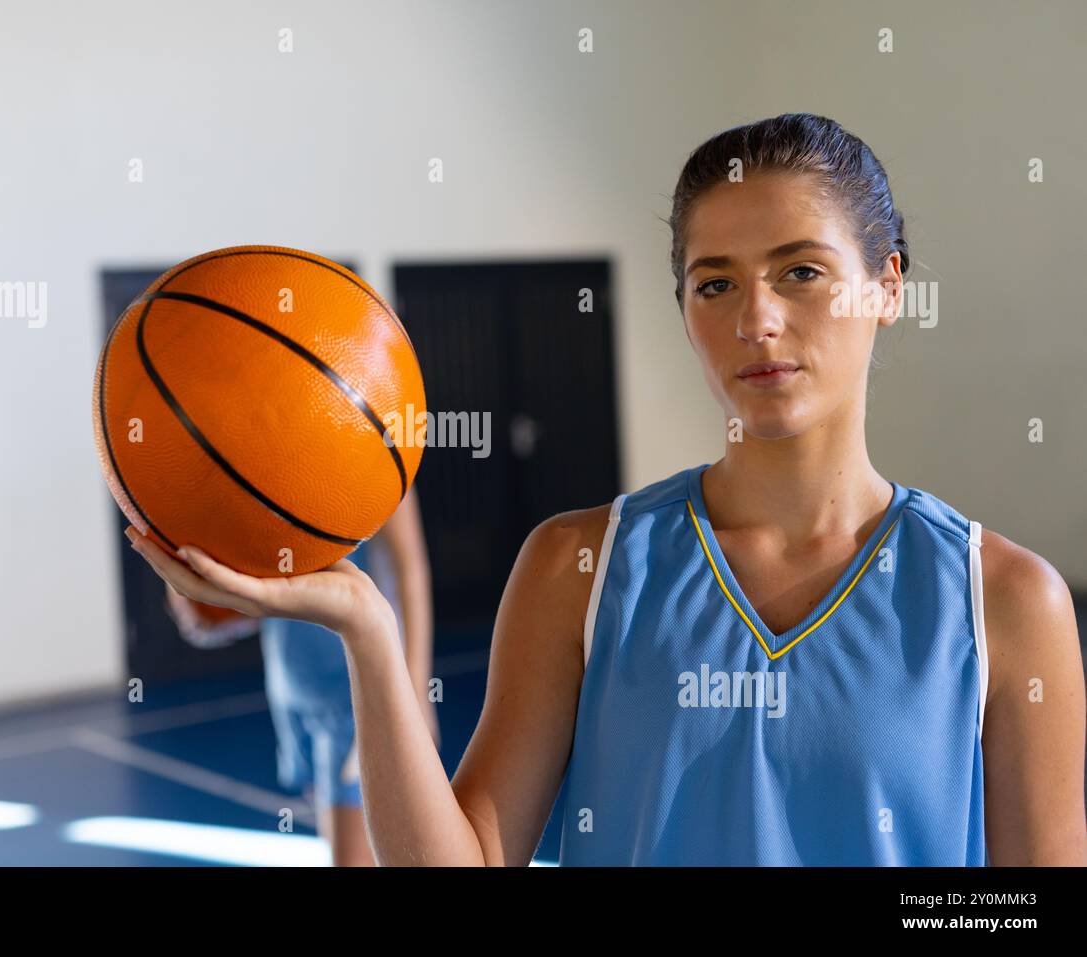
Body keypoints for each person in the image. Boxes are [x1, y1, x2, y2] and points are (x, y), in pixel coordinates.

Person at [127, 114, 1087, 866]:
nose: (757, 317)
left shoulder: (1001, 598)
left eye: (800, 272)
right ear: (683, 310)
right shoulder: (577, 564)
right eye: (714, 284)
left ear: (886, 287)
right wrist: (369, 634)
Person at [163, 489, 435, 866]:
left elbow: (411, 570)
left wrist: (416, 695)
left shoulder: (380, 440)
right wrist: (221, 607)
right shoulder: (253, 458)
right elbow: (281, 580)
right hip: (292, 687)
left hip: (355, 695)